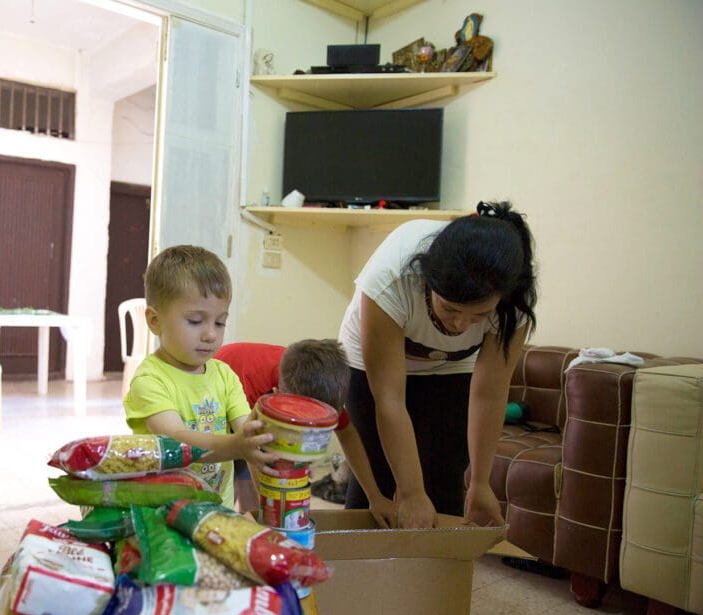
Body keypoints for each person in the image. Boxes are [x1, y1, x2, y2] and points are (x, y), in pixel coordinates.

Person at [337, 201, 537, 529]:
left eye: (479, 316)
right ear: (427, 284)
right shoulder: (393, 278)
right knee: (378, 478)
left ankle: (434, 577)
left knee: (444, 475)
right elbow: (389, 400)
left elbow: (490, 394)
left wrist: (481, 483)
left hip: (450, 365)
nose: (460, 325)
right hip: (370, 359)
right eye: (450, 309)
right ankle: (363, 574)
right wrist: (412, 492)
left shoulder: (515, 305)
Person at [123, 245, 277, 509]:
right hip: (164, 514)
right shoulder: (149, 380)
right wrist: (235, 446)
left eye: (219, 322)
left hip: (218, 509)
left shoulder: (225, 376)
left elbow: (246, 429)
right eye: (196, 321)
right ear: (154, 320)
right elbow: (176, 439)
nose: (210, 334)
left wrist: (279, 450)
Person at [214, 340, 395, 526]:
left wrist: (375, 497)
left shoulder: (323, 395)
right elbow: (252, 448)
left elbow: (348, 436)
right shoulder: (257, 388)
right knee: (227, 488)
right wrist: (277, 508)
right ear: (279, 397)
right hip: (217, 398)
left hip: (251, 398)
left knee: (255, 502)